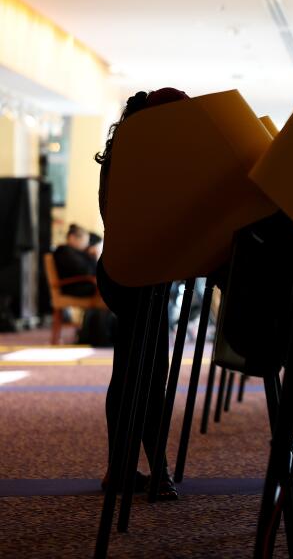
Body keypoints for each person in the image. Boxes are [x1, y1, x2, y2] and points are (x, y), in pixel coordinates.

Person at [94, 88, 190, 499]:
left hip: (119, 271)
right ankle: (159, 474)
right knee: (149, 376)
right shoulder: (149, 159)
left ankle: (121, 470)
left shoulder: (124, 152)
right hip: (139, 275)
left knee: (131, 372)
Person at [53, 224, 97, 296]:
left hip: (80, 285)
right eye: (85, 241)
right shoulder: (65, 251)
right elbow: (87, 272)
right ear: (72, 238)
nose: (86, 245)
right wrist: (93, 257)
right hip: (71, 287)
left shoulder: (73, 252)